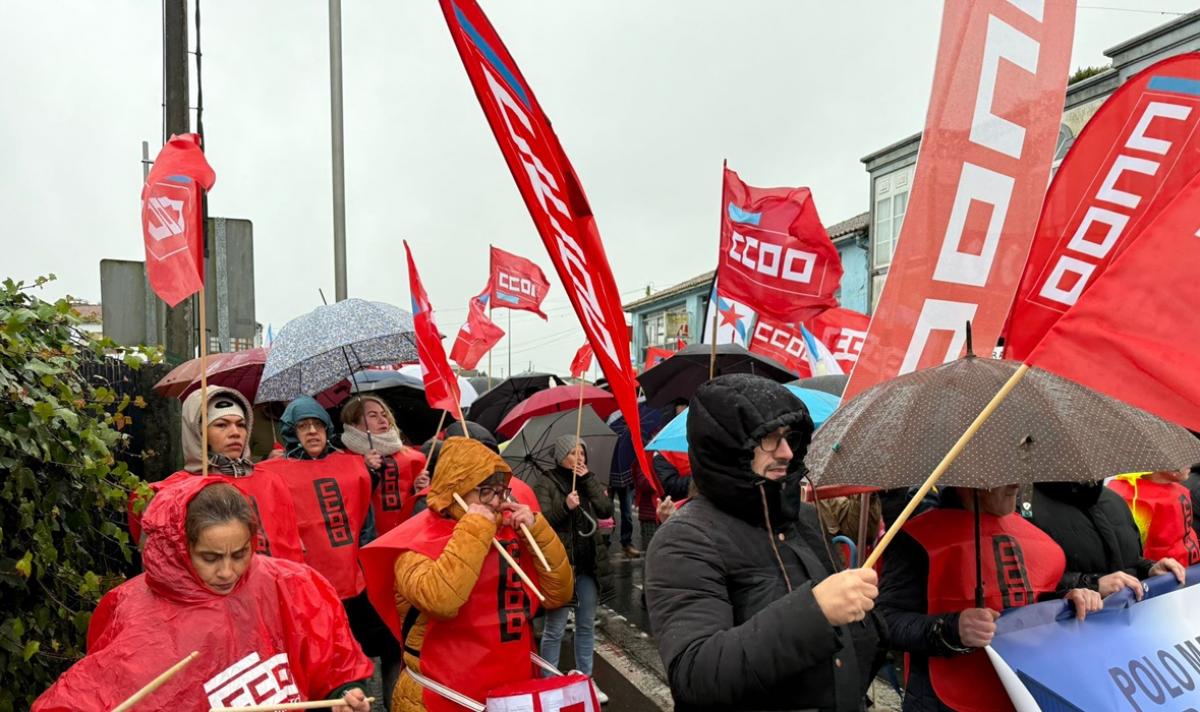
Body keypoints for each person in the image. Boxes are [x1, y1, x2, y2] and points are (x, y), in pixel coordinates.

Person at [645, 374, 881, 712]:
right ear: (728, 447)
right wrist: (815, 611)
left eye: (789, 438)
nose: (786, 452)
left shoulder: (804, 517)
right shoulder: (684, 539)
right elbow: (695, 674)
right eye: (769, 438)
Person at [35, 477, 374, 711]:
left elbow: (333, 662)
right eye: (210, 558)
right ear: (179, 549)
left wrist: (345, 695)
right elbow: (88, 695)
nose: (227, 572)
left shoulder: (289, 583)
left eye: (240, 553)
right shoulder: (133, 610)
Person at [359, 437, 574, 712]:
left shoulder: (511, 532)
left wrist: (537, 530)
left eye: (501, 490)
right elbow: (442, 601)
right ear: (456, 490)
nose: (496, 501)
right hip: (440, 697)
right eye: (486, 491)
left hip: (509, 693)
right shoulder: (414, 545)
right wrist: (475, 528)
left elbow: (558, 594)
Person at [878, 485, 1103, 712]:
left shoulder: (1035, 533)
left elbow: (1033, 598)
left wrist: (1068, 601)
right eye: (1005, 478)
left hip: (1022, 696)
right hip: (945, 701)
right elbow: (885, 621)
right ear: (970, 483)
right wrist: (951, 629)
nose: (1016, 485)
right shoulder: (915, 539)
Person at [257, 396, 399, 705]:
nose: (312, 432)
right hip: (309, 593)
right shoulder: (271, 475)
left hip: (354, 586)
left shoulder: (352, 465)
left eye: (317, 425)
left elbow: (365, 523)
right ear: (291, 432)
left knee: (389, 645)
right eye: (303, 426)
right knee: (325, 664)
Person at [128, 386, 304, 564]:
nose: (235, 433)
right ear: (199, 432)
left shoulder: (271, 481)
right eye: (221, 424)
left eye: (241, 424)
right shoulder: (173, 493)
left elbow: (292, 549)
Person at [531, 435, 615, 704]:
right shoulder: (546, 482)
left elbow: (605, 510)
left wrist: (588, 479)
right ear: (560, 456)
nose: (579, 458)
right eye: (572, 453)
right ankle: (549, 682)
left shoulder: (588, 480)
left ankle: (585, 679)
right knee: (555, 628)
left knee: (586, 625)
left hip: (588, 563)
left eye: (582, 453)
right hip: (562, 566)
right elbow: (541, 521)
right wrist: (565, 507)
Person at [1031, 480, 1186, 596]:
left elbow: (1130, 560)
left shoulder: (1114, 499)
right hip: (1079, 626)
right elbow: (1033, 581)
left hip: (1130, 619)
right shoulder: (1027, 509)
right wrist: (1093, 584)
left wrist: (1150, 568)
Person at [340, 395, 428, 535]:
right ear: (354, 424)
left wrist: (420, 490)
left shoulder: (413, 457)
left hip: (407, 534)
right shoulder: (341, 460)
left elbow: (424, 506)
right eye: (373, 415)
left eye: (384, 415)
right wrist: (364, 470)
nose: (382, 420)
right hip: (365, 539)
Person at [1109, 470, 1200, 566]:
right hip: (1160, 570)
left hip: (1189, 564)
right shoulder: (1131, 498)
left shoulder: (1178, 488)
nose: (1188, 465)